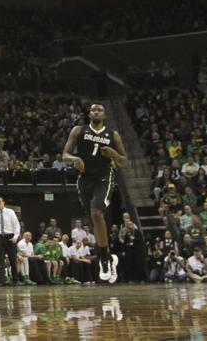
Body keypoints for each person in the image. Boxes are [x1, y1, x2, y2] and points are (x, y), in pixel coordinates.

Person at [62, 102, 129, 283]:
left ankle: (104, 259)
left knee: (97, 213)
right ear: (89, 113)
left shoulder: (112, 134)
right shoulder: (78, 130)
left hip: (104, 177)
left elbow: (123, 161)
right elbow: (64, 155)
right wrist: (74, 159)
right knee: (92, 220)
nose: (96, 112)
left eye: (100, 110)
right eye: (93, 110)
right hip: (84, 179)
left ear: (104, 115)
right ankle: (107, 255)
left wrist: (114, 153)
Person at [0, 196, 26, 285]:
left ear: (3, 202)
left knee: (12, 259)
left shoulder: (10, 212)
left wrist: (15, 237)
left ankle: (15, 280)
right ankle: (2, 281)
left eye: (0, 201)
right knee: (0, 260)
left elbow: (16, 225)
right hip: (0, 238)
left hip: (10, 237)